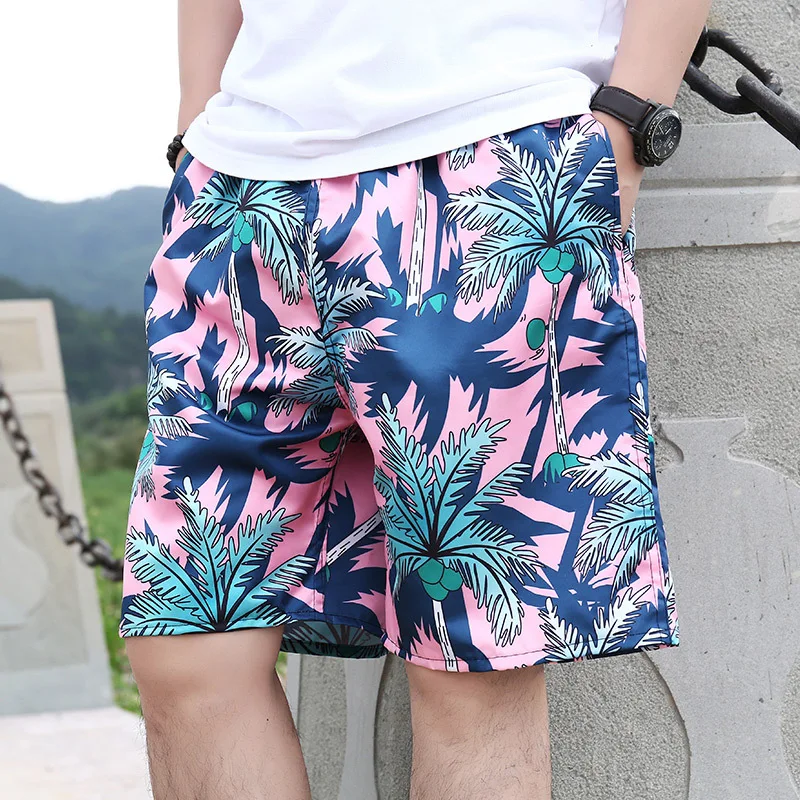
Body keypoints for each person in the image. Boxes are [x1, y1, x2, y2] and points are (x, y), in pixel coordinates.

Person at [120, 2, 709, 798]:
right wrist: (194, 127)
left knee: (471, 665)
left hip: (487, 160)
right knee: (184, 639)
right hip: (238, 189)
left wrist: (629, 123)